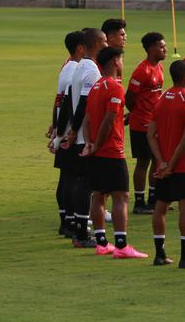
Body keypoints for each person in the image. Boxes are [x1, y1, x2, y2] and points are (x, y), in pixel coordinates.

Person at [80, 46, 148, 258]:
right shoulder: (115, 88)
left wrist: (89, 144)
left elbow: (87, 120)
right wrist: (98, 144)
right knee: (121, 196)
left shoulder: (96, 87)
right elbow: (108, 120)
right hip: (110, 151)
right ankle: (121, 246)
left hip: (95, 150)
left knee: (99, 195)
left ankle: (102, 244)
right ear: (115, 62)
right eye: (121, 60)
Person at [146, 59, 185, 268]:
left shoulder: (161, 99)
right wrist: (172, 164)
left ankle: (160, 254)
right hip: (183, 164)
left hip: (163, 165)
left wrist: (162, 162)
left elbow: (151, 134)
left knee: (160, 206)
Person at [58, 27, 106, 247]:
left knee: (80, 183)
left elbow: (67, 101)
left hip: (79, 136)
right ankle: (81, 234)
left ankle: (79, 230)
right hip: (84, 138)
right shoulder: (91, 70)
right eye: (104, 41)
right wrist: (76, 131)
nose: (107, 45)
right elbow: (84, 105)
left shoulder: (78, 67)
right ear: (95, 44)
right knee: (85, 185)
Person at [127, 32, 167, 214]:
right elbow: (130, 97)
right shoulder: (141, 71)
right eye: (161, 47)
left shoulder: (159, 67)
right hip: (141, 124)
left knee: (156, 160)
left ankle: (153, 198)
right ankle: (139, 202)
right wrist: (136, 112)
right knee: (143, 162)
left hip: (154, 123)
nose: (165, 49)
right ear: (151, 49)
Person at [49, 30, 84, 237]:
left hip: (64, 130)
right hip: (71, 132)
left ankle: (65, 221)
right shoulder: (74, 71)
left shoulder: (67, 68)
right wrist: (64, 133)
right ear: (81, 48)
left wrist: (56, 129)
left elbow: (58, 101)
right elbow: (70, 104)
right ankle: (69, 222)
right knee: (72, 179)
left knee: (66, 178)